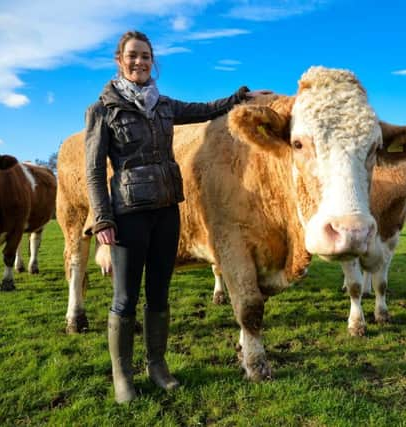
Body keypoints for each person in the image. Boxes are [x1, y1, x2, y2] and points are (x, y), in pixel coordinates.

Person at [85, 30, 269, 404]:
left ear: (154, 62)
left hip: (168, 211)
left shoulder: (164, 106)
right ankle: (123, 377)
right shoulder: (102, 109)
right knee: (124, 299)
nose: (140, 62)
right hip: (128, 214)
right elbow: (93, 170)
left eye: (146, 57)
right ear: (119, 60)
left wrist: (239, 98)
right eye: (133, 56)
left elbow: (205, 110)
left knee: (159, 295)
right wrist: (102, 219)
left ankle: (157, 366)